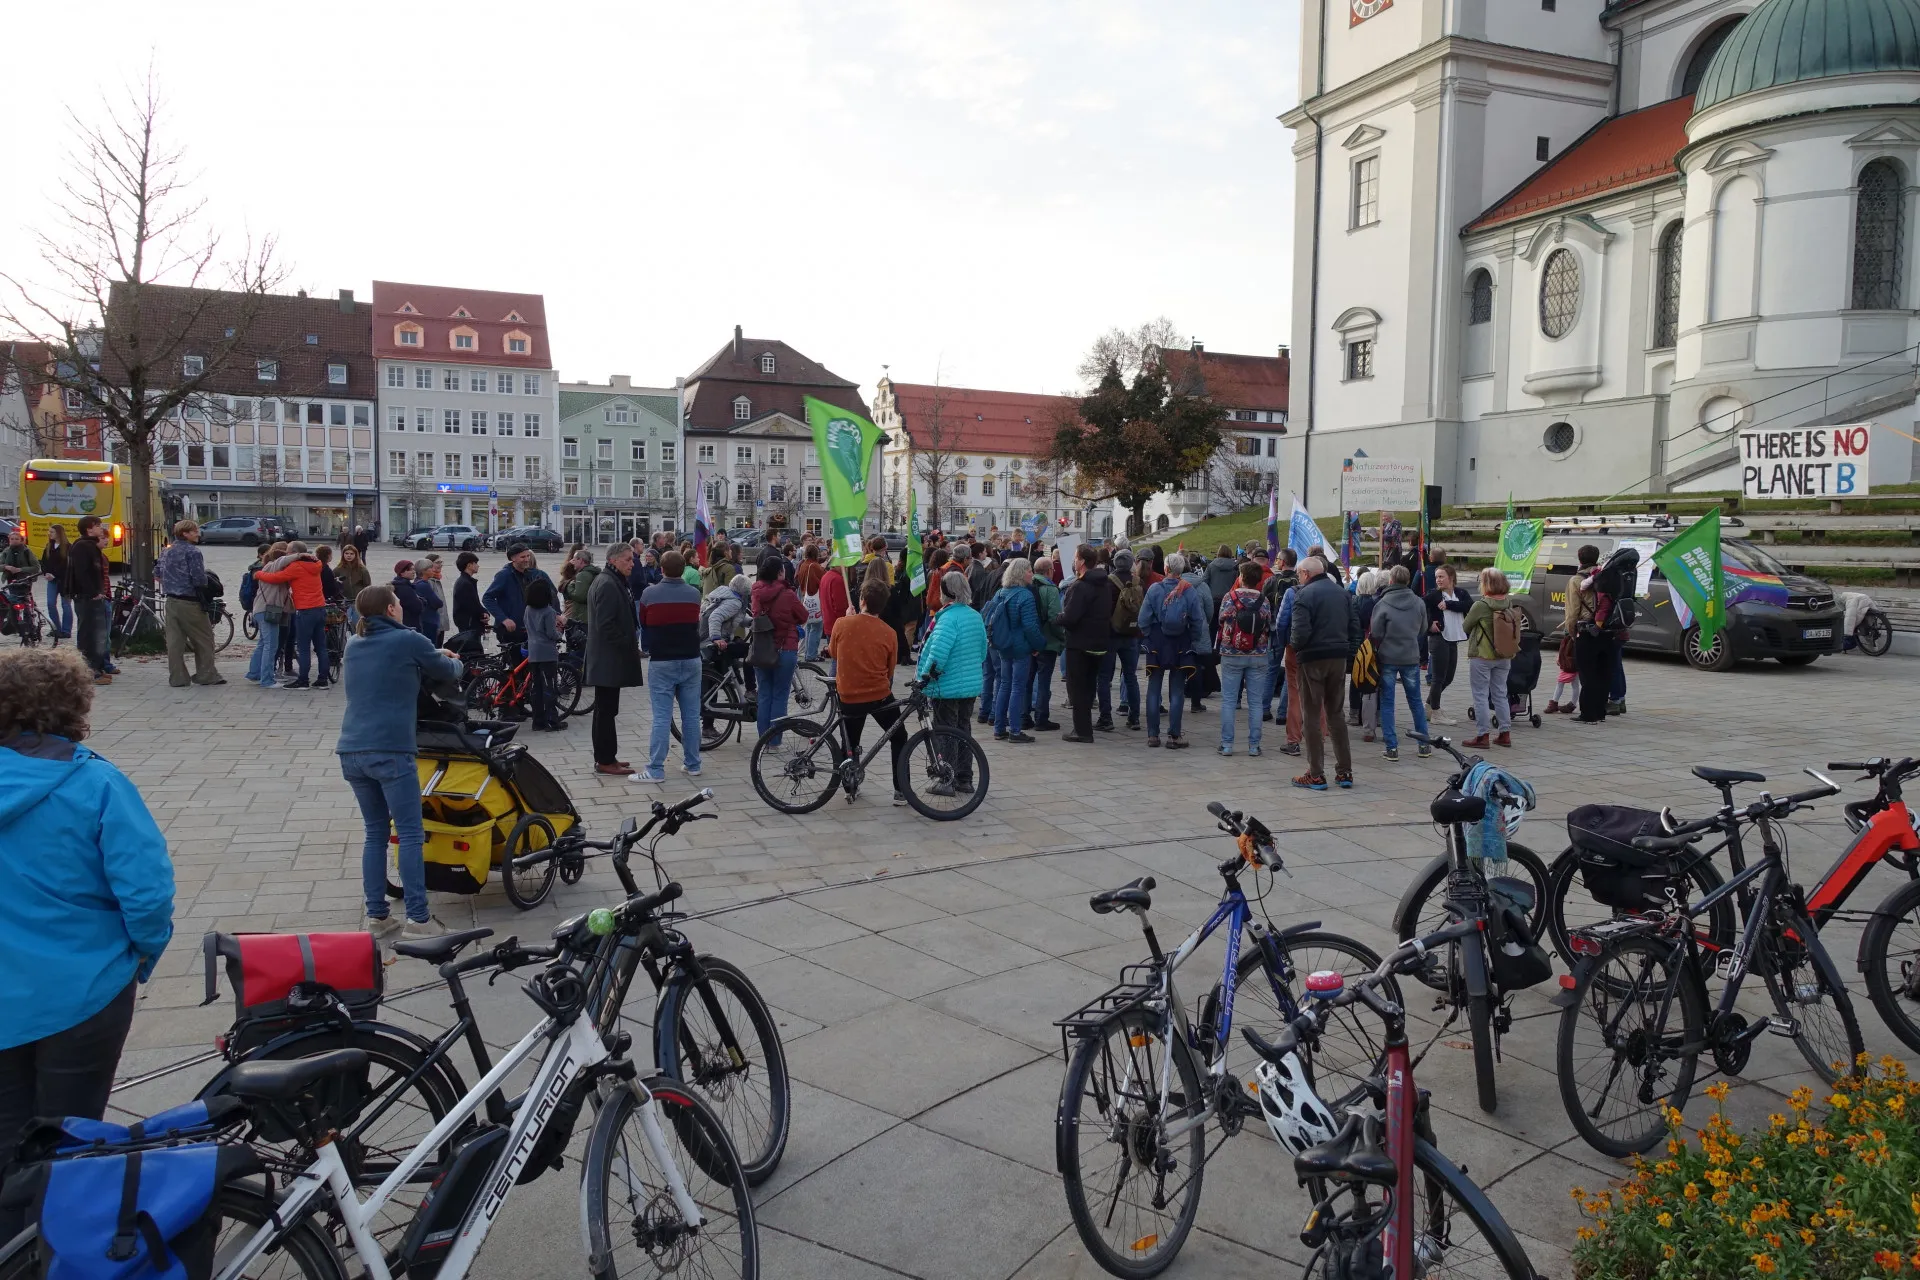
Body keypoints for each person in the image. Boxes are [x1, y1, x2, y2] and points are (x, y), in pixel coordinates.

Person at [0, 648, 173, 1207]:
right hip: (85, 992)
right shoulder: (97, 784)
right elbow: (146, 894)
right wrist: (141, 955)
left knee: (7, 1150)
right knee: (71, 1145)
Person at [337, 584, 463, 942]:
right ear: (392, 610)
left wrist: (431, 651)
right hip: (391, 749)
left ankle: (377, 916)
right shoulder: (408, 639)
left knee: (375, 833)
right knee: (409, 832)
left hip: (351, 749)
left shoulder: (354, 643)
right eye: (397, 603)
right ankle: (419, 919)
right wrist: (454, 659)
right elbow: (447, 672)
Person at [834, 577, 908, 803]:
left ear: (862, 600)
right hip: (878, 695)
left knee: (850, 740)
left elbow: (833, 653)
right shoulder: (889, 632)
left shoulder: (842, 624)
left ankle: (849, 784)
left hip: (848, 693)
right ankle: (900, 788)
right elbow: (890, 667)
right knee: (899, 736)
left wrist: (848, 620)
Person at [1289, 556, 1359, 790]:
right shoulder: (1342, 593)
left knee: (1311, 715)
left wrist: (1297, 648)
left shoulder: (1304, 594)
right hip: (1337, 657)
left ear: (1306, 574)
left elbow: (1299, 633)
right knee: (1336, 714)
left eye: (1300, 573)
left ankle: (1316, 773)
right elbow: (1354, 627)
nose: (1299, 577)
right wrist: (1347, 654)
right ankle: (1345, 771)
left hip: (1312, 659)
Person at [636, 550, 704, 783]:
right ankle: (693, 763)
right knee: (692, 716)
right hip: (691, 658)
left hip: (662, 660)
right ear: (683, 568)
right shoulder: (694, 594)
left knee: (662, 717)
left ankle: (656, 769)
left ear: (661, 569)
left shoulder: (649, 594)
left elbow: (643, 622)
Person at [916, 571, 986, 795]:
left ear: (947, 592)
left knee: (946, 731)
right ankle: (965, 778)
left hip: (946, 686)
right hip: (969, 685)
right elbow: (983, 651)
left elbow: (938, 653)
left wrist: (925, 677)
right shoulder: (974, 615)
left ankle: (946, 779)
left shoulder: (947, 618)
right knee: (964, 729)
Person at [583, 542, 645, 776]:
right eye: (628, 559)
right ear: (613, 560)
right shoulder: (608, 583)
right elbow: (606, 624)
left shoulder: (612, 579)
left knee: (607, 711)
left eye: (632, 559)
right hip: (607, 660)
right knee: (605, 712)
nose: (632, 563)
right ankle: (605, 760)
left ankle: (608, 757)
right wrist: (628, 645)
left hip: (607, 659)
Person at [1141, 552, 1206, 749]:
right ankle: (1174, 735)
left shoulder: (1154, 589)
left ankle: (1153, 735)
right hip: (1181, 642)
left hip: (1157, 642)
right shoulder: (1189, 591)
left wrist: (1149, 635)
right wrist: (1192, 639)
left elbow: (1143, 619)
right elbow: (1197, 620)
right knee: (1176, 690)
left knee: (1154, 688)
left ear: (1166, 568)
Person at [1370, 565, 1431, 762]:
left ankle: (1392, 747)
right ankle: (1423, 744)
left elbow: (1376, 633)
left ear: (1391, 581)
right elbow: (1423, 629)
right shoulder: (1418, 602)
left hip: (1388, 657)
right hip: (1411, 657)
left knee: (1387, 702)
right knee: (1415, 701)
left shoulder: (1382, 603)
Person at [155, 519, 223, 688]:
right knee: (205, 639)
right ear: (185, 533)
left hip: (171, 601)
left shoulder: (166, 551)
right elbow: (199, 578)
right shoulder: (193, 552)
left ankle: (178, 678)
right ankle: (206, 674)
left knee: (174, 642)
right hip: (190, 602)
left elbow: (156, 573)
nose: (198, 533)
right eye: (194, 531)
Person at [1059, 542, 1116, 743]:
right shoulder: (1105, 583)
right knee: (1089, 685)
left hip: (1080, 644)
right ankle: (1084, 727)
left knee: (1078, 688)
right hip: (1099, 641)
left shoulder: (1081, 586)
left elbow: (1071, 617)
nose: (1074, 561)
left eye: (1075, 558)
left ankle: (1082, 730)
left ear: (1082, 562)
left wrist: (1057, 618)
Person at [256, 541, 332, 689]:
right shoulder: (316, 565)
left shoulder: (296, 567)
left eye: (289, 552)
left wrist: (258, 574)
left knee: (303, 648)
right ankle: (323, 680)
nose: (287, 554)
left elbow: (276, 578)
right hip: (320, 608)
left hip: (305, 610)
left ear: (295, 553)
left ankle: (303, 680)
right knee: (321, 647)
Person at [1215, 560, 1273, 757]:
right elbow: (1268, 625)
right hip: (1258, 654)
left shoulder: (1229, 597)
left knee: (1229, 700)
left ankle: (1227, 744)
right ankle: (1254, 745)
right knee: (1256, 702)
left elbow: (1221, 620)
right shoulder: (1264, 600)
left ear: (1241, 577)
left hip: (1231, 653)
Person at [984, 558, 1043, 744]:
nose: (1031, 574)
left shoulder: (1001, 593)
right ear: (1020, 573)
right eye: (1029, 571)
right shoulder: (1025, 596)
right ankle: (1015, 730)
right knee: (1018, 687)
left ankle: (999, 728)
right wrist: (1038, 645)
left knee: (1003, 684)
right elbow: (1030, 627)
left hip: (1003, 645)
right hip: (1020, 647)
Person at [750, 551, 808, 738]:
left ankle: (763, 739)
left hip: (762, 649)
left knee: (765, 694)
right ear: (779, 573)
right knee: (780, 695)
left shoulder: (756, 592)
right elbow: (803, 616)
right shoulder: (788, 594)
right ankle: (774, 740)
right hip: (785, 648)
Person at [1463, 567, 1517, 748]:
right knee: (1501, 694)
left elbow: (1466, 626)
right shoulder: (1508, 603)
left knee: (1480, 695)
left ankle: (1482, 735)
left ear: (1486, 584)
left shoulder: (1481, 605)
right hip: (1504, 655)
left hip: (1483, 655)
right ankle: (1505, 733)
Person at [1100, 549, 1144, 731]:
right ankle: (1134, 718)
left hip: (1111, 634)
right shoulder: (1137, 582)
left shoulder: (1107, 582)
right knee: (1130, 676)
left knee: (1103, 678)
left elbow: (1102, 609)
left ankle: (1106, 718)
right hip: (1131, 634)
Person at [1553, 546, 1599, 717]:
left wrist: (1570, 633)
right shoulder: (1602, 575)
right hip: (1601, 626)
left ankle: (1587, 711)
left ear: (1579, 560)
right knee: (1597, 670)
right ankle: (1599, 706)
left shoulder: (1576, 580)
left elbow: (1572, 612)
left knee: (1583, 671)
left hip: (1584, 628)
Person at [482, 542, 553, 646]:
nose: (527, 559)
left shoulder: (531, 574)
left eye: (528, 556)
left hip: (528, 627)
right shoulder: (504, 575)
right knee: (514, 660)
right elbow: (487, 598)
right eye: (523, 557)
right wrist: (504, 619)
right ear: (513, 558)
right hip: (510, 629)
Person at [1425, 563, 1471, 722]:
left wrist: (1450, 604)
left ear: (1451, 578)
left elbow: (1469, 606)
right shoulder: (1433, 595)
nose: (1438, 580)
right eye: (1436, 577)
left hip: (1454, 638)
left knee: (1449, 677)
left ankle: (1429, 706)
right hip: (1439, 639)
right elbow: (1421, 611)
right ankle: (1436, 712)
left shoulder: (1461, 593)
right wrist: (1429, 624)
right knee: (1438, 677)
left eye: (1441, 576)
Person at [245, 541, 290, 689]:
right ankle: (267, 679)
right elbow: (283, 560)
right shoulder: (272, 567)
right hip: (267, 611)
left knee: (263, 644)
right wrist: (300, 554)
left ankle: (254, 673)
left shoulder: (267, 568)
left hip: (261, 609)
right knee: (271, 645)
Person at [1026, 556, 1064, 731]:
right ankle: (1042, 718)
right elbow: (1055, 617)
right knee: (1043, 681)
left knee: (1027, 680)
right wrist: (1062, 638)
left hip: (1028, 641)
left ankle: (1023, 715)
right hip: (1047, 642)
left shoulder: (1027, 585)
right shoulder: (1050, 589)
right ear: (1049, 571)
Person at [523, 576, 564, 732]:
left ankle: (538, 721)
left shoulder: (528, 609)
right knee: (550, 687)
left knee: (537, 688)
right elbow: (551, 633)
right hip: (547, 652)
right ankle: (552, 720)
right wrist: (559, 635)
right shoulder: (548, 611)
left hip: (533, 651)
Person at [451, 551, 487, 657]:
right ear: (469, 565)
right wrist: (482, 615)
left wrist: (484, 612)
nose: (478, 566)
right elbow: (471, 605)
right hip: (469, 625)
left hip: (470, 623)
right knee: (472, 654)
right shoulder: (464, 583)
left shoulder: (466, 581)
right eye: (476, 563)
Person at [39, 524, 72, 639]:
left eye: (52, 532)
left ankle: (66, 631)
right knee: (50, 603)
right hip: (51, 580)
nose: (49, 534)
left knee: (66, 604)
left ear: (59, 533)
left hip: (64, 581)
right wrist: (46, 573)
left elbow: (67, 565)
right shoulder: (49, 546)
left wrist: (55, 574)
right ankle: (56, 628)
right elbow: (43, 562)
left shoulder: (68, 547)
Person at [337, 542, 372, 628]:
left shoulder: (362, 570)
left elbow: (368, 586)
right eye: (346, 553)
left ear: (356, 555)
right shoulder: (338, 569)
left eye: (351, 554)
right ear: (343, 555)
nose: (349, 556)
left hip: (358, 601)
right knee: (343, 626)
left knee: (357, 625)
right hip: (343, 602)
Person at [415, 557, 446, 646]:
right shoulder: (423, 584)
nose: (433, 570)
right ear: (424, 570)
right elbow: (438, 602)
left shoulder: (419, 583)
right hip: (429, 621)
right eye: (430, 568)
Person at [390, 559, 426, 632]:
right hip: (410, 625)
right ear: (402, 572)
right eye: (410, 570)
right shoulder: (404, 587)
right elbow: (417, 607)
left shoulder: (401, 585)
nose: (414, 572)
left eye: (414, 569)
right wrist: (422, 601)